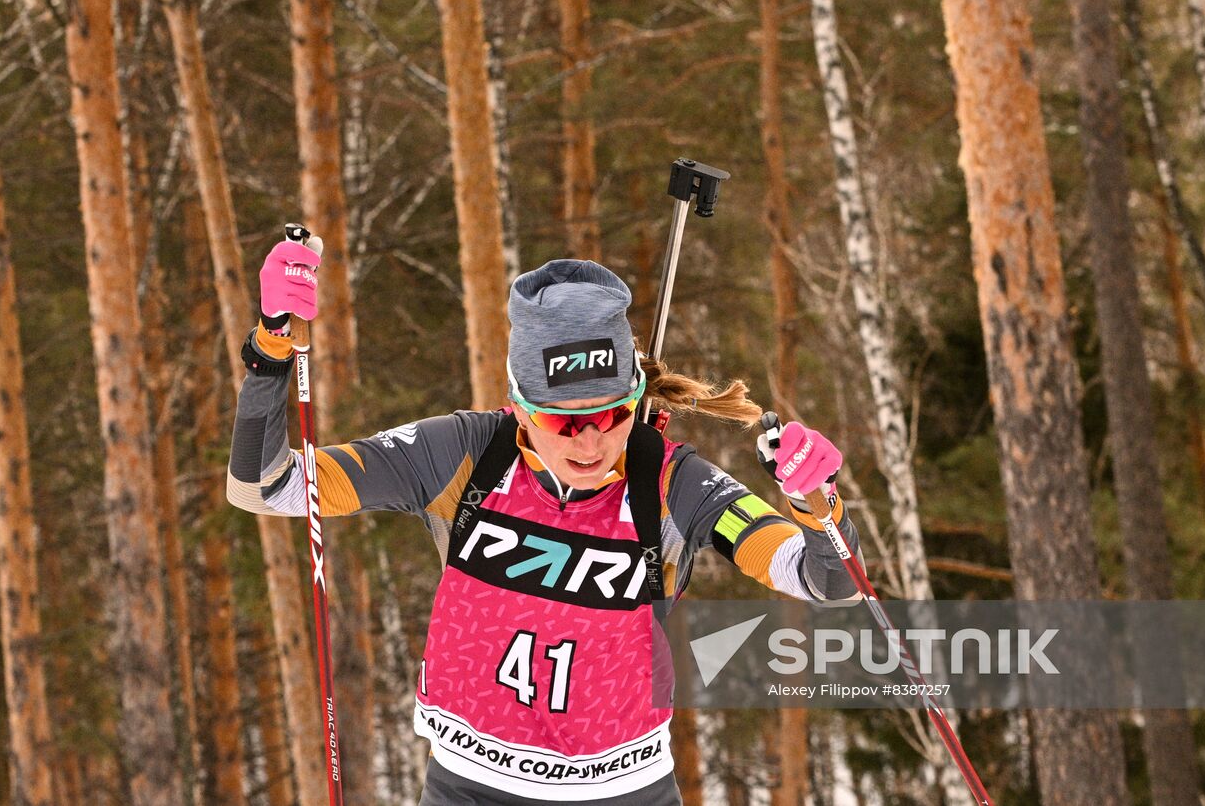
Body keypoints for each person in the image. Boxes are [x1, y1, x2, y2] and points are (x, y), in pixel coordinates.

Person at [228, 242, 862, 805]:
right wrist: (272, 345)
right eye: (564, 421)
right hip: (468, 789)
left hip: (625, 793)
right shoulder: (463, 455)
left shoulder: (671, 482)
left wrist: (816, 507)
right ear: (520, 406)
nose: (589, 443)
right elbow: (268, 487)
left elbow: (823, 580)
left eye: (612, 415)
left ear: (637, 400)